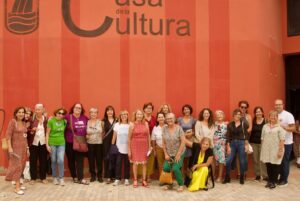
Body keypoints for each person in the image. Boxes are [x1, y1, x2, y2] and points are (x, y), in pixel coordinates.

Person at [65, 102, 89, 185]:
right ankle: (74, 176)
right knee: (71, 160)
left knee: (80, 160)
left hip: (81, 142)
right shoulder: (68, 117)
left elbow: (90, 126)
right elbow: (59, 121)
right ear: (73, 108)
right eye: (76, 107)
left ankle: (81, 178)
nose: (78, 109)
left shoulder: (85, 117)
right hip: (69, 142)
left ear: (81, 110)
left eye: (79, 108)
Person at [223, 109, 249, 185]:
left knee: (242, 160)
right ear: (233, 115)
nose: (238, 115)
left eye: (239, 114)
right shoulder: (230, 124)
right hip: (232, 143)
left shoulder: (244, 123)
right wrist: (228, 146)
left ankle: (241, 177)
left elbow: (246, 134)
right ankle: (227, 177)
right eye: (236, 114)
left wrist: (246, 144)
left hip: (241, 142)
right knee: (228, 160)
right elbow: (228, 136)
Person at [5, 107, 28, 195]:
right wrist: (10, 147)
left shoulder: (23, 123)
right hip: (15, 148)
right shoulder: (12, 122)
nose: (21, 114)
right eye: (19, 112)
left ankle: (19, 183)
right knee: (17, 166)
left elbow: (24, 136)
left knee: (21, 166)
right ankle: (17, 188)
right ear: (16, 113)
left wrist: (27, 148)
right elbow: (8, 135)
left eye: (23, 112)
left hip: (23, 148)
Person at [260, 110, 285, 189]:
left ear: (277, 117)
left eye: (275, 116)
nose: (273, 117)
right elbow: (262, 138)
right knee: (268, 165)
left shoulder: (280, 127)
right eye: (271, 115)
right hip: (267, 149)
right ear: (269, 117)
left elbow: (282, 140)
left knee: (275, 166)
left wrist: (280, 151)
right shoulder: (265, 126)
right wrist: (262, 149)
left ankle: (274, 182)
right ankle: (269, 181)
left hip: (276, 149)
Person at [162, 113, 186, 192]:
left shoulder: (179, 128)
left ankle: (181, 184)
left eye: (171, 118)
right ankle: (169, 184)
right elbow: (163, 143)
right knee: (166, 167)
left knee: (175, 168)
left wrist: (178, 154)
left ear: (174, 119)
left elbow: (183, 142)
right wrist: (165, 154)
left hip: (179, 152)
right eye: (168, 118)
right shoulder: (164, 129)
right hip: (169, 153)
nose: (169, 120)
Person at [274, 99, 295, 187]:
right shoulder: (274, 115)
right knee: (278, 161)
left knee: (285, 161)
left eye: (279, 104)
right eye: (276, 105)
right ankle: (279, 178)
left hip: (287, 143)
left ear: (283, 105)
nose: (278, 106)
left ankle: (284, 180)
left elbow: (293, 128)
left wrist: (284, 127)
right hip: (276, 142)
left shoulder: (288, 115)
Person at [128, 109, 151, 188]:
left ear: (143, 115)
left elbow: (148, 136)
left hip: (144, 145)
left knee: (144, 163)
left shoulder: (146, 124)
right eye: (138, 114)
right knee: (135, 163)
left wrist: (149, 147)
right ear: (135, 115)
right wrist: (129, 150)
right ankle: (135, 180)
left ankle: (144, 180)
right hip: (134, 144)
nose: (139, 116)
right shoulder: (132, 124)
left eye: (141, 114)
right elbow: (129, 138)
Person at [46, 107, 67, 186]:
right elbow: (47, 133)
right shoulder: (51, 121)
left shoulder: (64, 121)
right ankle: (55, 177)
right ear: (56, 113)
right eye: (59, 113)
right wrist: (47, 145)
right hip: (52, 143)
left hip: (61, 143)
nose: (60, 115)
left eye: (62, 114)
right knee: (54, 160)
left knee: (61, 160)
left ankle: (61, 178)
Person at [28, 103, 48, 184]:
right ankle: (33, 178)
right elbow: (27, 130)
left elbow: (48, 131)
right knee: (33, 160)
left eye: (39, 109)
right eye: (36, 109)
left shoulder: (46, 119)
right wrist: (32, 130)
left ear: (43, 110)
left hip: (43, 142)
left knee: (43, 160)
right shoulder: (31, 119)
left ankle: (43, 177)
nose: (37, 111)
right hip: (33, 143)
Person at [112, 110, 130, 186]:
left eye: (125, 114)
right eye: (122, 114)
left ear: (127, 116)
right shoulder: (117, 125)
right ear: (120, 116)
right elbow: (114, 136)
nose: (123, 116)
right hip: (119, 148)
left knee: (127, 164)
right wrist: (112, 146)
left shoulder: (130, 125)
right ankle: (117, 179)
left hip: (128, 148)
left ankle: (126, 179)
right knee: (118, 164)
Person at [249, 106, 267, 181]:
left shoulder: (265, 121)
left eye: (259, 111)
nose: (258, 113)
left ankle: (265, 176)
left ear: (262, 112)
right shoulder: (253, 121)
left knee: (262, 160)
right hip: (253, 143)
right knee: (255, 159)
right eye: (256, 112)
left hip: (263, 143)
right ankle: (258, 175)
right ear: (255, 113)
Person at [86, 108, 103, 183]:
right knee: (91, 160)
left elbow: (100, 131)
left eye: (95, 113)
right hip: (90, 143)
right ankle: (93, 175)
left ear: (97, 114)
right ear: (90, 114)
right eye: (91, 113)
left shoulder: (100, 122)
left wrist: (91, 131)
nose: (93, 114)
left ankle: (99, 176)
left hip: (99, 143)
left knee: (99, 160)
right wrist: (95, 130)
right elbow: (87, 132)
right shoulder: (88, 122)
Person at [102, 105, 117, 184]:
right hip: (105, 143)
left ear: (113, 112)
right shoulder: (103, 121)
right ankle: (108, 176)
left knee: (114, 159)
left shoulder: (117, 121)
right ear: (106, 112)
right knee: (107, 159)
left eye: (111, 110)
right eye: (108, 110)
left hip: (115, 142)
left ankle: (113, 176)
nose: (110, 112)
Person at [143, 102, 156, 181]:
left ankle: (148, 176)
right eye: (147, 108)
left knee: (150, 159)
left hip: (151, 140)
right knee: (142, 158)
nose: (149, 109)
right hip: (142, 140)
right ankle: (142, 176)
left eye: (150, 108)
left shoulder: (154, 118)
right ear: (144, 109)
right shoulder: (141, 117)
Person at [213, 110, 227, 182]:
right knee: (213, 160)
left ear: (223, 115)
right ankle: (213, 175)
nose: (219, 115)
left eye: (221, 114)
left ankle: (220, 176)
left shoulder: (226, 125)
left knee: (221, 161)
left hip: (222, 145)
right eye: (217, 114)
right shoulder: (213, 124)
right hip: (214, 145)